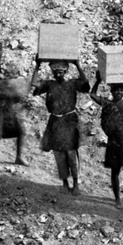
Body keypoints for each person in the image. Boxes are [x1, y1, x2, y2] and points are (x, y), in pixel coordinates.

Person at [31, 59, 90, 196]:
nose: (59, 74)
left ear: (66, 71)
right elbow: (34, 83)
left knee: (71, 153)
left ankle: (76, 183)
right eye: (56, 71)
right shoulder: (49, 84)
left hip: (69, 122)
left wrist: (78, 64)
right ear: (52, 72)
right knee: (59, 154)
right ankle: (65, 183)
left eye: (61, 71)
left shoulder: (72, 83)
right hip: (55, 123)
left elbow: (85, 84)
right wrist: (37, 65)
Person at [90, 73, 123, 210]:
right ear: (112, 92)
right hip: (114, 143)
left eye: (121, 90)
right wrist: (98, 80)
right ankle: (118, 199)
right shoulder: (106, 103)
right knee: (115, 171)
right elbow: (92, 94)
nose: (118, 93)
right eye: (116, 91)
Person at [0, 69, 28, 170]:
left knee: (20, 131)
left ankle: (19, 157)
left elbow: (17, 99)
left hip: (8, 113)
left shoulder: (10, 87)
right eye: (12, 77)